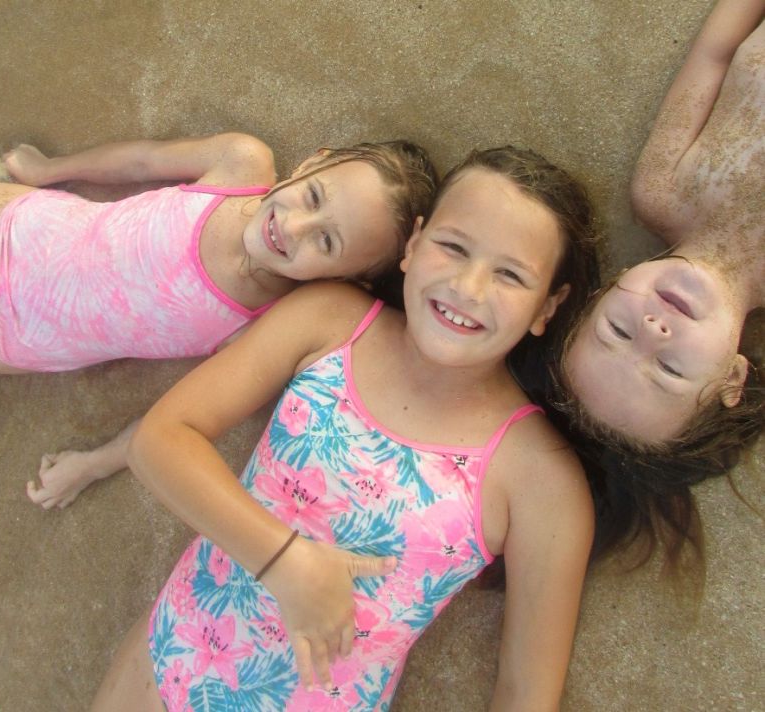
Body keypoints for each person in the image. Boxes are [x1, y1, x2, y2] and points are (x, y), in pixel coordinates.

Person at [90, 146, 600, 711]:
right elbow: (160, 439)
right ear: (412, 245)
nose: (468, 288)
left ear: (546, 308)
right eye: (453, 247)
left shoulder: (543, 481)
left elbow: (526, 693)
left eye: (510, 275)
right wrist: (285, 563)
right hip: (171, 655)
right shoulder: (331, 320)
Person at [0, 133, 436, 374]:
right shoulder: (242, 164)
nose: (295, 226)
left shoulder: (267, 322)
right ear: (315, 161)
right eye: (313, 196)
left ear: (346, 279)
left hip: (28, 335)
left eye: (327, 243)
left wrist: (93, 464)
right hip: (27, 228)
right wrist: (50, 172)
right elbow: (141, 161)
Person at [554, 0, 764, 568]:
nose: (652, 329)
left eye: (617, 329)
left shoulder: (660, 190)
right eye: (670, 369)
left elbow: (714, 54)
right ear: (734, 377)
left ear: (608, 289)